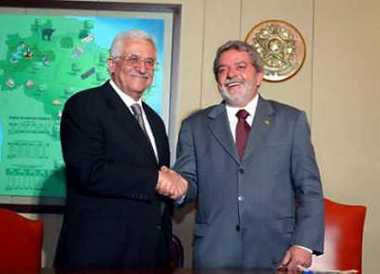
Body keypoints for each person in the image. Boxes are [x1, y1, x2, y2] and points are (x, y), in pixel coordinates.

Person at [173, 40, 324, 271]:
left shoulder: (291, 121)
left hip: (277, 254)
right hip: (215, 253)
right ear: (217, 80)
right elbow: (188, 182)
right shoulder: (195, 126)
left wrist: (304, 244)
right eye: (222, 70)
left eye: (240, 66)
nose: (231, 74)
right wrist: (178, 185)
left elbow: (309, 187)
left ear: (260, 76)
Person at [54, 30, 186, 270]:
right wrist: (156, 179)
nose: (143, 68)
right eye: (133, 59)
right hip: (99, 257)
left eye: (149, 62)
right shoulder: (84, 105)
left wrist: (177, 184)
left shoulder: (154, 121)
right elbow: (88, 172)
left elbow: (159, 183)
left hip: (150, 257)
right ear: (112, 65)